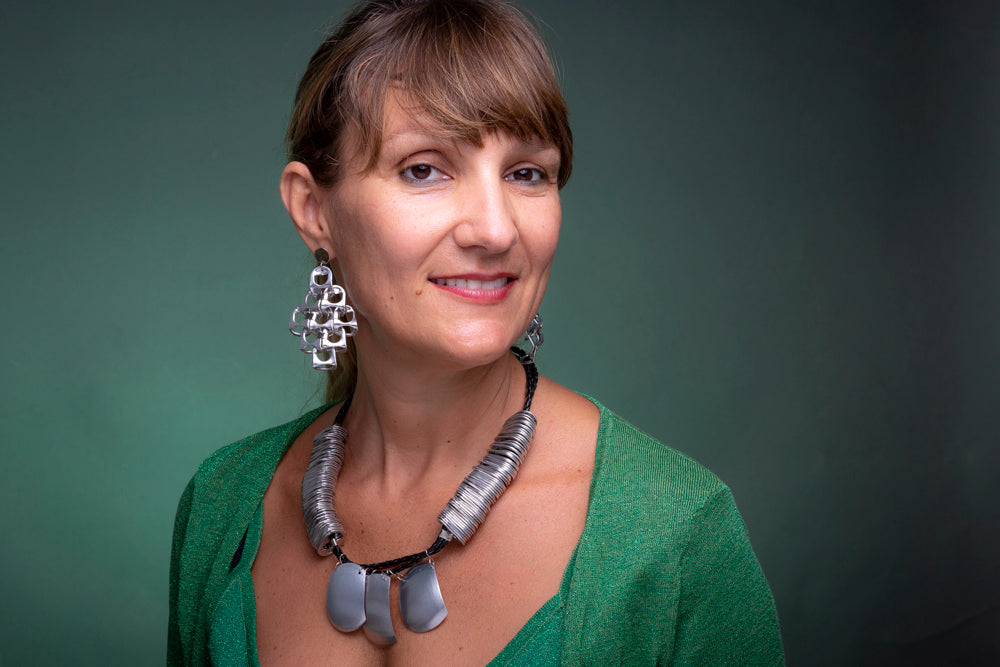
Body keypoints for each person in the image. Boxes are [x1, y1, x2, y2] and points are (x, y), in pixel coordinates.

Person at [168, 0, 784, 664]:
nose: (495, 230)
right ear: (314, 210)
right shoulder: (222, 507)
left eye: (526, 173)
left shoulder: (677, 535)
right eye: (424, 168)